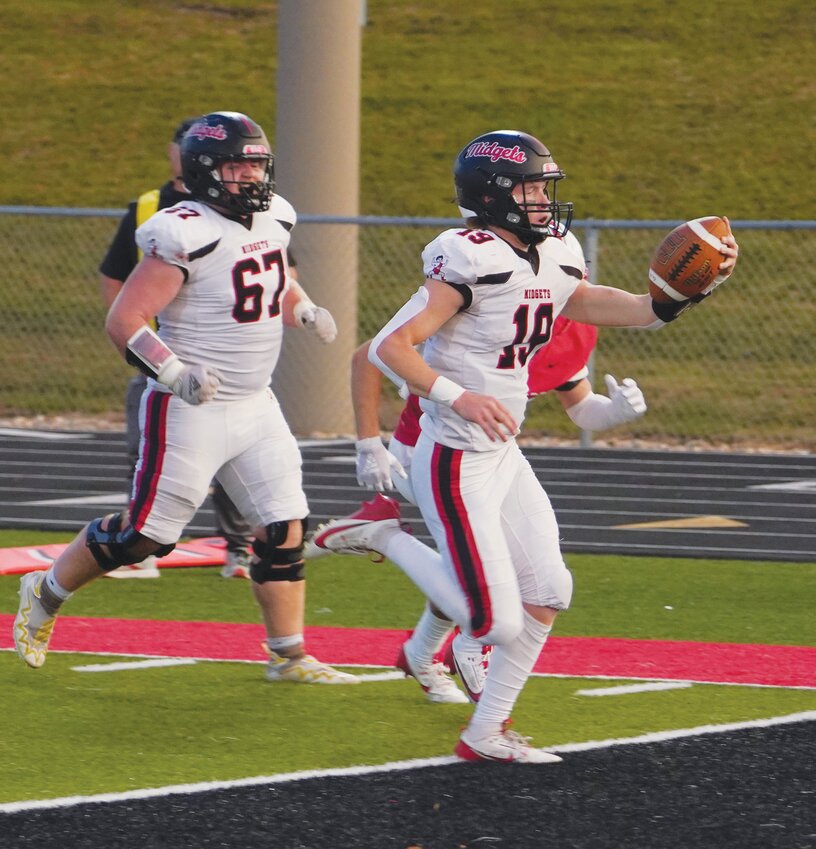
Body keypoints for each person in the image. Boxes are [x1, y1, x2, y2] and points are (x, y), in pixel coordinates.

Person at [309, 130, 738, 761]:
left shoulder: (555, 250)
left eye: (543, 187)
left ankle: (487, 732)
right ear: (493, 195)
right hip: (453, 454)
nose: (543, 199)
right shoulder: (468, 255)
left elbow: (587, 301)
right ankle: (382, 536)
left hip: (501, 454)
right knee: (493, 622)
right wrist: (459, 396)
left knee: (548, 593)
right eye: (531, 187)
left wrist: (668, 304)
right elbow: (389, 348)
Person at [14, 111, 358, 685]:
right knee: (145, 536)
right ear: (203, 171)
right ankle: (45, 591)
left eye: (255, 163)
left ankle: (289, 656)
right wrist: (174, 372)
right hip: (189, 408)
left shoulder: (273, 216)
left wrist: (301, 306)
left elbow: (270, 276)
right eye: (236, 165)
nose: (250, 175)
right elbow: (125, 319)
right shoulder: (182, 232)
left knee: (283, 526)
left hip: (255, 402)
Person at [308, 236, 648, 706]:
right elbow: (370, 356)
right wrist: (369, 444)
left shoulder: (572, 328)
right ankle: (458, 636)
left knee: (489, 574)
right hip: (426, 449)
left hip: (492, 451)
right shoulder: (485, 300)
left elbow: (580, 405)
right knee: (488, 583)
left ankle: (423, 654)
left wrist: (615, 414)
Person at [98, 115, 256, 579]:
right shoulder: (154, 211)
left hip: (226, 354)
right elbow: (115, 278)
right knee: (149, 451)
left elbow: (277, 269)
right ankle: (136, 545)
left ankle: (242, 548)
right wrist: (134, 330)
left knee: (244, 455)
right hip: (165, 349)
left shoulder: (256, 211)